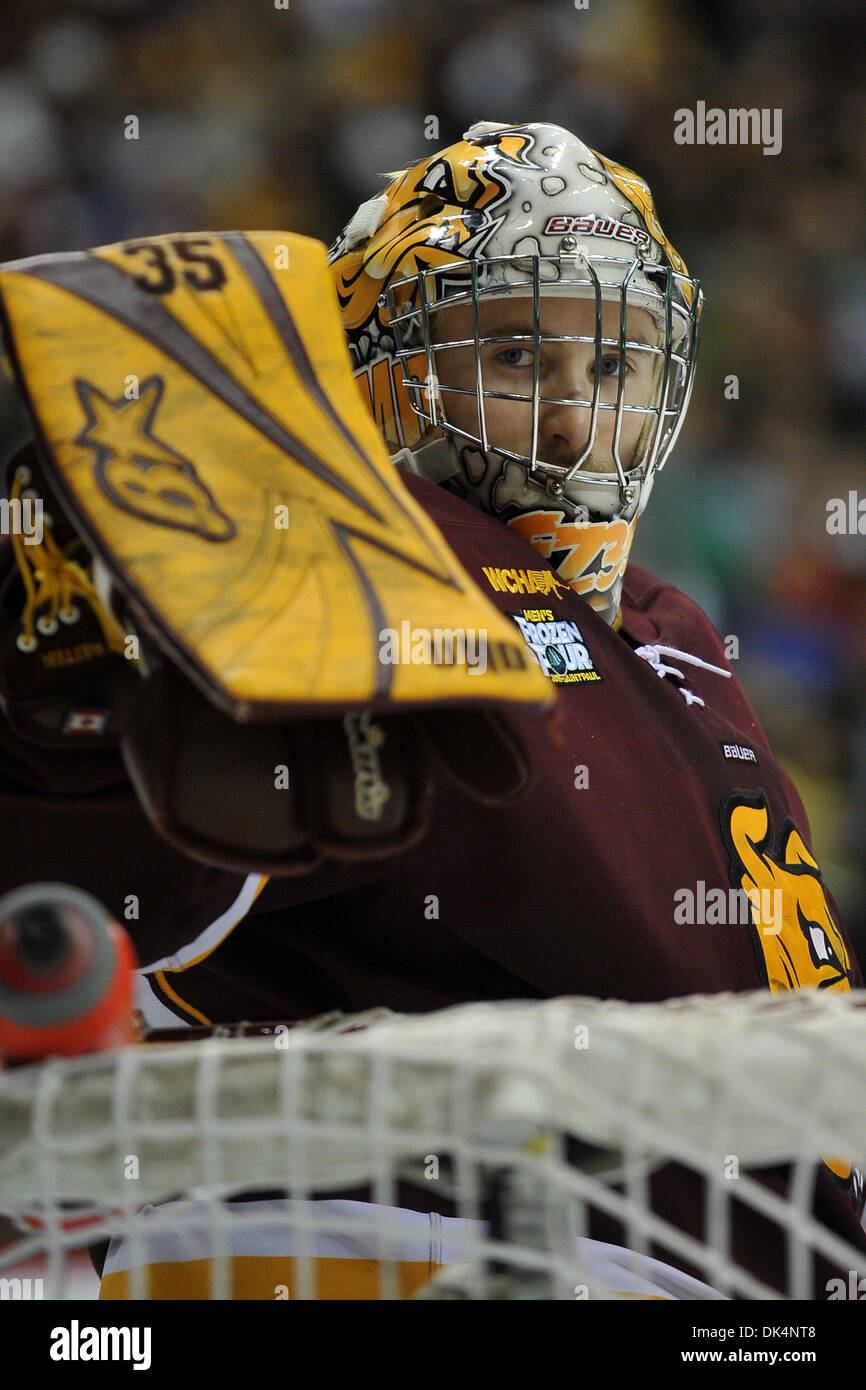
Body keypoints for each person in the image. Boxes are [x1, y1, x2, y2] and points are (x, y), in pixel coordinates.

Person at [0, 121, 862, 1299]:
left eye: (612, 367)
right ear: (382, 373)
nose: (571, 423)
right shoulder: (372, 561)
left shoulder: (673, 626)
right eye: (514, 359)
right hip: (404, 1243)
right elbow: (102, 866)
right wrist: (76, 702)